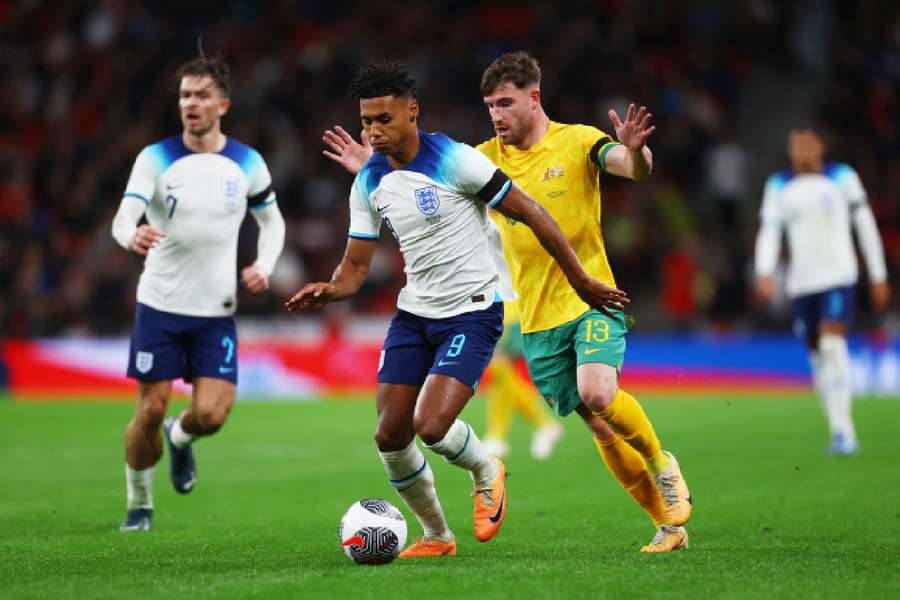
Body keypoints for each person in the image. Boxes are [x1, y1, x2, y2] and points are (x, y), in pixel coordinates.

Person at [323, 52, 693, 553]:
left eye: (505, 103)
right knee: (597, 423)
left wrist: (639, 154)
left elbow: (628, 166)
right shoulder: (478, 157)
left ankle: (660, 463)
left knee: (599, 393)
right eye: (489, 105)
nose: (496, 115)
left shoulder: (578, 140)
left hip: (590, 294)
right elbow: (414, 176)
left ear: (533, 97)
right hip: (536, 314)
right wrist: (369, 167)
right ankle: (667, 526)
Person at [111, 56, 286, 531]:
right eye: (186, 95)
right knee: (149, 408)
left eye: (202, 95)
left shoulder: (247, 162)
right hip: (161, 305)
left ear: (222, 105)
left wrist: (264, 265)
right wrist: (132, 236)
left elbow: (271, 221)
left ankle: (181, 438)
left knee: (211, 415)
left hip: (215, 311)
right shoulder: (156, 158)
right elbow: (124, 217)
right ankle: (139, 504)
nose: (191, 103)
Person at [755, 129, 889, 455]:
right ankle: (836, 428)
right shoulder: (778, 186)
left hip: (838, 276)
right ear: (790, 152)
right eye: (796, 145)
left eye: (809, 143)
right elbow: (771, 231)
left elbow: (865, 225)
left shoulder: (843, 177)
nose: (803, 149)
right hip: (802, 284)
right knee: (817, 355)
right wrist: (764, 271)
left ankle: (845, 432)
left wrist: (878, 274)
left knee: (832, 343)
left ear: (821, 148)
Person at [482, 300, 564, 460]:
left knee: (500, 368)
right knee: (502, 374)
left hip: (509, 312)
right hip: (502, 310)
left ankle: (498, 435)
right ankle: (499, 435)